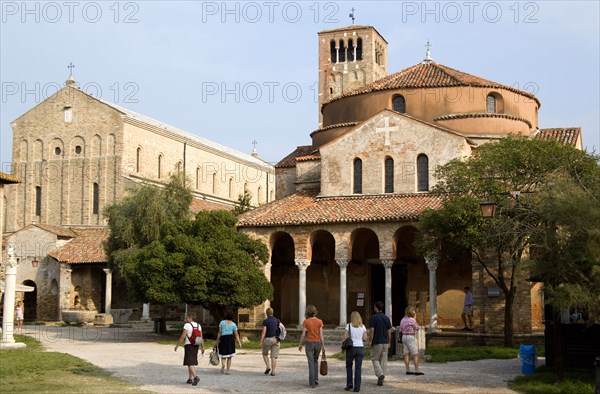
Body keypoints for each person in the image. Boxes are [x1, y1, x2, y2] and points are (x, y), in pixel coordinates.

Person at [174, 312, 204, 385]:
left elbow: (183, 336)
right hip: (196, 344)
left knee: (189, 362)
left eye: (187, 318)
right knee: (191, 362)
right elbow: (201, 337)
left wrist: (177, 345)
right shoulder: (198, 325)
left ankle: (195, 377)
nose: (186, 319)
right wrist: (202, 347)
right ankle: (190, 378)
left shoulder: (187, 325)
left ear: (190, 318)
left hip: (189, 345)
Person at [298, 304, 324, 388]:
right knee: (315, 361)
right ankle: (316, 380)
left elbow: (303, 334)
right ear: (315, 312)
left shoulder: (306, 322)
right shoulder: (320, 321)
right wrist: (323, 346)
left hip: (309, 343)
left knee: (311, 362)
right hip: (318, 343)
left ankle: (312, 383)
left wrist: (300, 344)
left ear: (307, 312)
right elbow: (321, 334)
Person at [342, 311, 368, 392]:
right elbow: (365, 338)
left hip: (351, 348)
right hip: (360, 348)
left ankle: (349, 384)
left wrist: (343, 341)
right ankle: (357, 387)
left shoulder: (348, 326)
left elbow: (345, 337)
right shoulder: (363, 326)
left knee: (349, 365)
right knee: (358, 368)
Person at [369, 301, 392, 386]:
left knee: (375, 359)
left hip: (377, 341)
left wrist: (370, 340)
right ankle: (382, 377)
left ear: (376, 308)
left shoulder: (374, 318)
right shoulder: (386, 318)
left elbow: (372, 330)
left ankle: (380, 374)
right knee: (383, 360)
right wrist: (389, 342)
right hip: (385, 342)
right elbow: (389, 331)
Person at [215, 310, 243, 375]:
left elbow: (219, 332)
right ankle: (228, 370)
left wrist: (217, 341)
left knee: (223, 354)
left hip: (223, 339)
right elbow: (236, 334)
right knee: (229, 356)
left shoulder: (222, 322)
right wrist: (239, 342)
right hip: (230, 339)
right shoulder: (233, 324)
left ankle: (223, 365)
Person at [400, 306, 424, 375]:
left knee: (406, 354)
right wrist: (415, 319)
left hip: (404, 336)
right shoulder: (412, 320)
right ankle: (417, 370)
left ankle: (407, 370)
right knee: (415, 354)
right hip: (410, 336)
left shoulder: (402, 319)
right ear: (412, 312)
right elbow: (417, 328)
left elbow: (401, 330)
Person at [260, 307, 280, 376]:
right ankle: (273, 371)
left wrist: (261, 341)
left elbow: (263, 332)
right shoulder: (277, 320)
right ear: (272, 312)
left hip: (268, 339)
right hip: (276, 339)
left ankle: (268, 366)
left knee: (265, 354)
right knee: (273, 356)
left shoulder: (265, 321)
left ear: (267, 313)